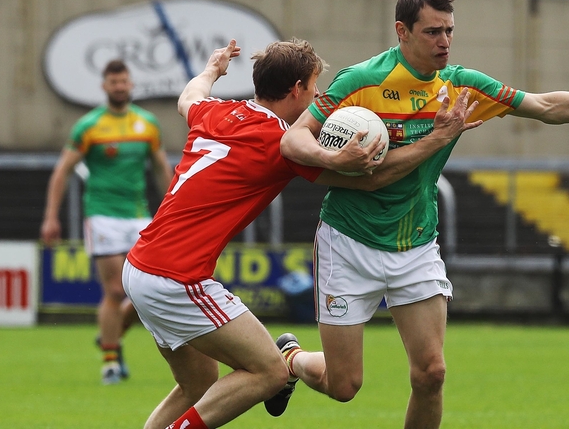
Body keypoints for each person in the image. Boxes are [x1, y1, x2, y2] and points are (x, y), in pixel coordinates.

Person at [275, 0, 569, 427]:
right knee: (344, 386)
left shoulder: (461, 87)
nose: (444, 41)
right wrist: (337, 157)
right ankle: (292, 360)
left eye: (449, 30)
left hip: (414, 243)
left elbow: (544, 106)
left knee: (431, 373)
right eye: (432, 31)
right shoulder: (360, 81)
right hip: (348, 242)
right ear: (402, 31)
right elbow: (293, 138)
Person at [122, 37, 482, 429]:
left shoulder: (214, 112)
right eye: (314, 88)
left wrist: (213, 69)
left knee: (200, 385)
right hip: (178, 278)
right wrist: (435, 138)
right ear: (297, 90)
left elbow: (188, 96)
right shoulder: (282, 144)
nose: (319, 96)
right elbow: (373, 181)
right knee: (269, 373)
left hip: (140, 268)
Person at [40, 59, 174, 385]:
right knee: (115, 289)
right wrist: (50, 217)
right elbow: (62, 171)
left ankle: (111, 334)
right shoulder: (89, 126)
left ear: (131, 84)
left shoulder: (147, 124)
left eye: (123, 81)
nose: (119, 86)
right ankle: (111, 361)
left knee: (149, 289)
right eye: (113, 82)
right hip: (102, 216)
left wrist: (172, 209)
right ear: (105, 86)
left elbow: (161, 168)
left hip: (140, 215)